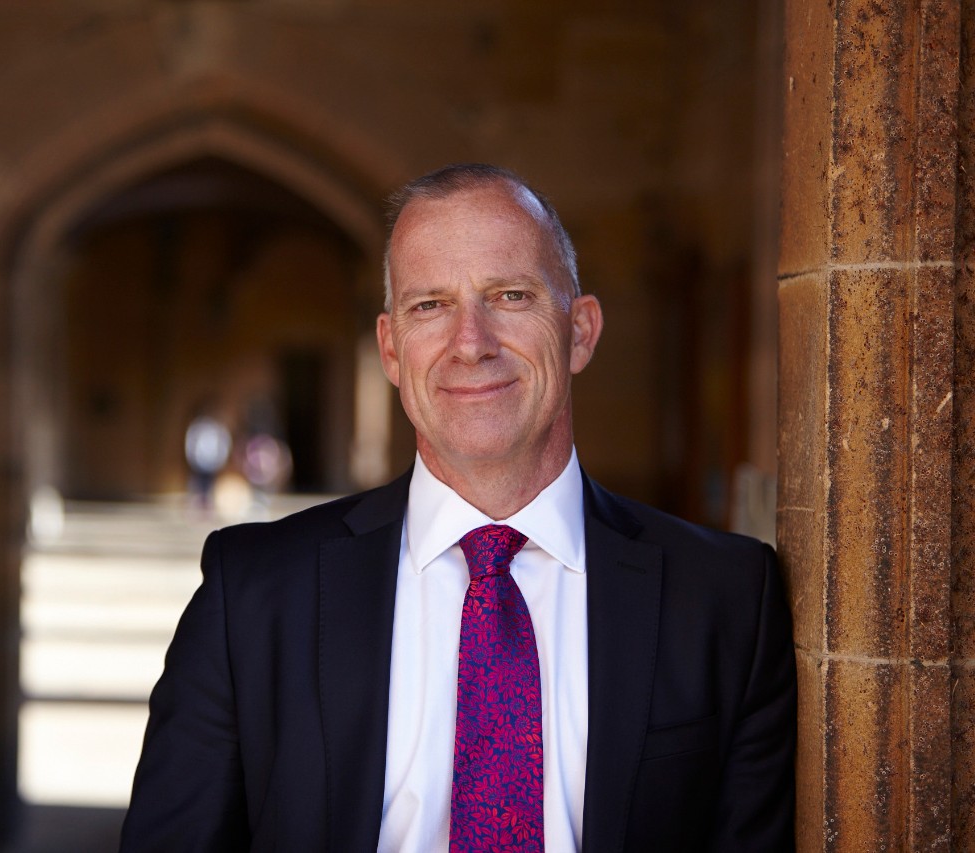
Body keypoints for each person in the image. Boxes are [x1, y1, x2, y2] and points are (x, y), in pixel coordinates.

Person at [120, 164, 795, 852]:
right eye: (429, 306)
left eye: (510, 295)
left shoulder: (727, 599)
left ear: (580, 331)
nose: (471, 342)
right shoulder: (252, 594)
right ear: (391, 350)